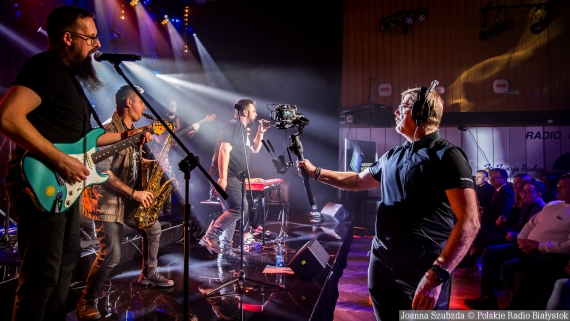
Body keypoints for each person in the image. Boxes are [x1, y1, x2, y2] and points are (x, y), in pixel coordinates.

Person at [0, 6, 152, 321]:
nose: (97, 45)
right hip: (43, 179)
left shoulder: (68, 77)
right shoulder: (44, 67)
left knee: (65, 266)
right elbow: (8, 116)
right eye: (91, 38)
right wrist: (60, 159)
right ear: (68, 38)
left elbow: (86, 141)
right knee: (42, 274)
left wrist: (131, 134)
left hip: (63, 186)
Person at [297, 87, 479, 320]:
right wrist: (316, 172)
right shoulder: (393, 155)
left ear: (420, 111)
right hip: (382, 263)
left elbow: (469, 222)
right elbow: (356, 181)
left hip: (423, 268)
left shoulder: (447, 156)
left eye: (402, 106)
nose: (395, 111)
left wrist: (438, 274)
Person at [77, 85, 174, 320]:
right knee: (111, 253)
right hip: (107, 201)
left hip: (126, 198)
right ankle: (86, 301)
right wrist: (134, 193)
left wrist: (153, 163)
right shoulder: (110, 131)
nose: (144, 106)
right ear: (128, 103)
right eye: (140, 102)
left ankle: (149, 274)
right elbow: (103, 172)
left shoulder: (130, 131)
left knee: (153, 227)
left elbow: (130, 161)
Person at [464, 173, 570, 310]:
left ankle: (518, 307)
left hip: (548, 253)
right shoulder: (553, 205)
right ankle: (488, 298)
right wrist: (521, 239)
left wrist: (539, 246)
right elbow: (530, 224)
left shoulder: (544, 205)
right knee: (490, 252)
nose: (558, 190)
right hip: (526, 244)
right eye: (558, 186)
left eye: (563, 187)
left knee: (513, 263)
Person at [199, 99, 270, 262]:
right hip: (226, 176)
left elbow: (255, 149)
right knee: (240, 208)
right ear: (245, 112)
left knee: (232, 210)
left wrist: (261, 132)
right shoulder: (234, 125)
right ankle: (210, 236)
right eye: (254, 111)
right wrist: (222, 178)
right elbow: (224, 150)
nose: (256, 114)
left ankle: (225, 250)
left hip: (233, 177)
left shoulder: (242, 130)